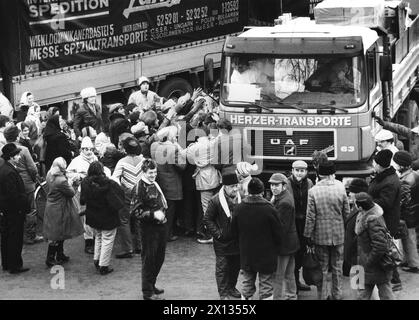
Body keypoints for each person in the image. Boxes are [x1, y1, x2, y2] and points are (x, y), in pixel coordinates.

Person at [304, 161, 350, 300]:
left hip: (320, 235)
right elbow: (346, 212)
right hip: (339, 233)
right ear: (332, 173)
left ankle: (323, 296)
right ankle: (337, 294)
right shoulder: (341, 188)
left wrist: (307, 234)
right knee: (337, 267)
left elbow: (310, 216)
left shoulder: (313, 191)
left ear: (319, 174)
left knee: (322, 268)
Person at [231, 177, 282, 300]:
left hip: (247, 253)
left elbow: (233, 232)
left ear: (248, 191)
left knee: (247, 284)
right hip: (266, 255)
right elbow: (278, 233)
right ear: (262, 192)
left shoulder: (239, 208)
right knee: (266, 286)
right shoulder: (269, 209)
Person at [131, 159, 167, 300]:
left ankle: (151, 284)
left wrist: (162, 214)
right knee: (149, 260)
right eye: (150, 173)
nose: (153, 175)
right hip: (148, 230)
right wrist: (153, 214)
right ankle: (147, 292)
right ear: (144, 172)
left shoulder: (154, 184)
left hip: (160, 226)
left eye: (155, 172)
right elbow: (135, 212)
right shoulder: (139, 187)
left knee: (159, 258)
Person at [80, 161, 125, 275]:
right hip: (108, 217)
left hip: (93, 216)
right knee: (107, 240)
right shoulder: (109, 184)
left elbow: (82, 200)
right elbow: (118, 201)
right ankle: (103, 265)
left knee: (98, 237)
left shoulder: (85, 183)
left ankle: (97, 259)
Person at [67, 137, 110, 254]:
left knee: (95, 216)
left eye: (90, 149)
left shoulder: (95, 159)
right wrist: (77, 176)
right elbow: (68, 173)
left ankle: (96, 240)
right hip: (84, 192)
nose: (89, 151)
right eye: (86, 149)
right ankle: (89, 242)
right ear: (82, 149)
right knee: (86, 218)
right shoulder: (76, 160)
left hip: (96, 193)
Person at [203, 172, 242, 300]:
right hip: (222, 242)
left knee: (235, 266)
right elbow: (207, 219)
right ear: (224, 186)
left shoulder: (241, 198)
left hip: (237, 241)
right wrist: (218, 235)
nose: (235, 189)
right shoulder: (215, 201)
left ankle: (231, 287)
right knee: (222, 269)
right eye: (232, 186)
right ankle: (223, 293)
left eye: (236, 185)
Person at [368, 149, 402, 291]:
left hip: (387, 222)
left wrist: (367, 200)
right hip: (383, 221)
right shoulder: (383, 176)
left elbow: (386, 202)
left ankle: (394, 280)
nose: (373, 165)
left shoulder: (390, 181)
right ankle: (391, 279)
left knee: (387, 252)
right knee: (386, 251)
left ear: (379, 164)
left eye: (374, 163)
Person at [3, 124, 41, 245]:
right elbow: (32, 168)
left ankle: (19, 233)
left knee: (16, 208)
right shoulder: (23, 149)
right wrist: (34, 178)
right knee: (31, 209)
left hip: (11, 184)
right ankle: (30, 235)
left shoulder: (3, 150)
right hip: (27, 183)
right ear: (17, 135)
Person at [354, 192, 395, 300]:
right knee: (362, 293)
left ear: (360, 206)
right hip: (364, 263)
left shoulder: (372, 220)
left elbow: (380, 246)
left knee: (385, 293)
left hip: (374, 264)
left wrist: (369, 261)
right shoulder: (364, 215)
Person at [150, 126, 187, 242]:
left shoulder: (154, 145)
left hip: (159, 181)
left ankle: (158, 232)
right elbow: (182, 166)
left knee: (160, 207)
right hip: (172, 183)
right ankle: (167, 234)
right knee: (170, 210)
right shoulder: (174, 149)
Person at [0, 143, 31, 274]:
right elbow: (14, 196)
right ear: (11, 157)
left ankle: (7, 263)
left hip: (7, 210)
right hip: (14, 211)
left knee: (6, 237)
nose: (19, 157)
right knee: (15, 238)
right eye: (17, 155)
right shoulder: (10, 172)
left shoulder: (4, 169)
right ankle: (15, 265)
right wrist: (23, 205)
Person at [112, 137, 144, 257]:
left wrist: (121, 188)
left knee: (124, 220)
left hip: (127, 193)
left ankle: (128, 249)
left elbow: (114, 178)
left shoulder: (122, 162)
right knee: (139, 218)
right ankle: (140, 246)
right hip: (141, 192)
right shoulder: (143, 160)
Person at [269, 173, 299, 300]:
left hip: (284, 245)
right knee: (289, 273)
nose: (273, 188)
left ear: (284, 186)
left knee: (278, 276)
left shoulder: (284, 202)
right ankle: (291, 295)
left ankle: (277, 297)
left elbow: (281, 228)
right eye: (271, 185)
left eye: (276, 185)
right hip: (290, 243)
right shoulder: (283, 196)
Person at [287, 160, 313, 292]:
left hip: (305, 223)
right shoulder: (286, 183)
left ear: (306, 172)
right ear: (292, 171)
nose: (299, 173)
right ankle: (292, 285)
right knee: (292, 253)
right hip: (292, 223)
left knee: (301, 252)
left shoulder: (309, 183)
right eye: (296, 170)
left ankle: (296, 282)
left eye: (302, 171)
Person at [392, 151, 419, 273]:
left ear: (402, 165)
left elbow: (403, 200)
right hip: (414, 211)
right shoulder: (414, 174)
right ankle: (407, 261)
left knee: (409, 239)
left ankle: (414, 264)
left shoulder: (406, 180)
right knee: (408, 238)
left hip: (408, 214)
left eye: (396, 163)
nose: (395, 165)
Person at [343, 178, 369, 276]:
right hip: (355, 256)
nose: (349, 194)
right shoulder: (358, 207)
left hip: (358, 256)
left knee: (360, 286)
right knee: (359, 286)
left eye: (352, 192)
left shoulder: (362, 211)